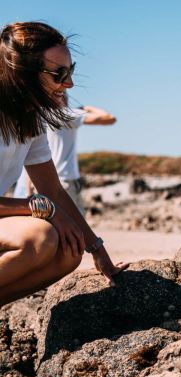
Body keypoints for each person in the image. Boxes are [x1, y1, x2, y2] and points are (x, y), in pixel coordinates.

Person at [0, 21, 126, 308]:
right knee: (39, 236)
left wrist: (96, 247)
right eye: (59, 74)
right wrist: (39, 209)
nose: (68, 83)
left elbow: (53, 190)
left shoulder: (29, 121)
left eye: (71, 71)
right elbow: (49, 202)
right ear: (23, 74)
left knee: (70, 250)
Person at [13, 101, 117, 215]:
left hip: (39, 180)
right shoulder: (65, 114)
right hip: (63, 182)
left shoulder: (37, 115)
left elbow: (32, 157)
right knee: (74, 226)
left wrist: (28, 189)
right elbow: (109, 118)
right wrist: (86, 108)